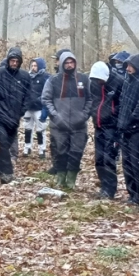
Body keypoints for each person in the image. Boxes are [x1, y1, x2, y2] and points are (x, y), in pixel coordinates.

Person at [42, 49, 91, 189]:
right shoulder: (53, 80)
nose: (69, 65)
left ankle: (71, 181)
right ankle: (60, 179)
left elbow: (90, 99)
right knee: (60, 153)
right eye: (67, 63)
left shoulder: (83, 79)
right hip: (59, 125)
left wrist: (84, 115)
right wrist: (55, 116)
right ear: (62, 63)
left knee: (76, 153)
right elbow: (46, 99)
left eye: (72, 62)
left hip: (79, 125)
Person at [0, 46, 32, 183]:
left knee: (5, 146)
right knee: (3, 143)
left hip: (14, 118)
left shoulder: (24, 76)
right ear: (8, 60)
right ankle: (7, 173)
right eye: (12, 60)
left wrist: (21, 111)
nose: (14, 63)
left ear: (20, 62)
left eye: (16, 61)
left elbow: (28, 96)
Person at [117, 53, 139, 206]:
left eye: (131, 65)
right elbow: (123, 103)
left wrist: (132, 121)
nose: (128, 68)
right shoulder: (128, 80)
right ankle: (132, 193)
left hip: (137, 129)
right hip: (125, 128)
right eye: (127, 66)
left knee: (137, 163)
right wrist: (121, 123)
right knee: (127, 163)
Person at [89, 61, 121, 199]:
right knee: (99, 159)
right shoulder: (93, 84)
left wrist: (113, 117)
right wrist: (93, 114)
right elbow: (93, 101)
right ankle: (103, 186)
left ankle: (110, 189)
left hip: (111, 127)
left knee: (109, 158)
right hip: (98, 125)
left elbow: (122, 104)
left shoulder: (118, 82)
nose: (98, 82)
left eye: (100, 80)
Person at [23, 57, 50, 157]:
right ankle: (27, 147)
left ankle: (41, 149)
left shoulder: (45, 77)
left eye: (36, 66)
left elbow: (47, 92)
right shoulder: (27, 77)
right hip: (28, 108)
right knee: (27, 129)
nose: (33, 67)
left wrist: (40, 101)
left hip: (39, 108)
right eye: (32, 65)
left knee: (40, 129)